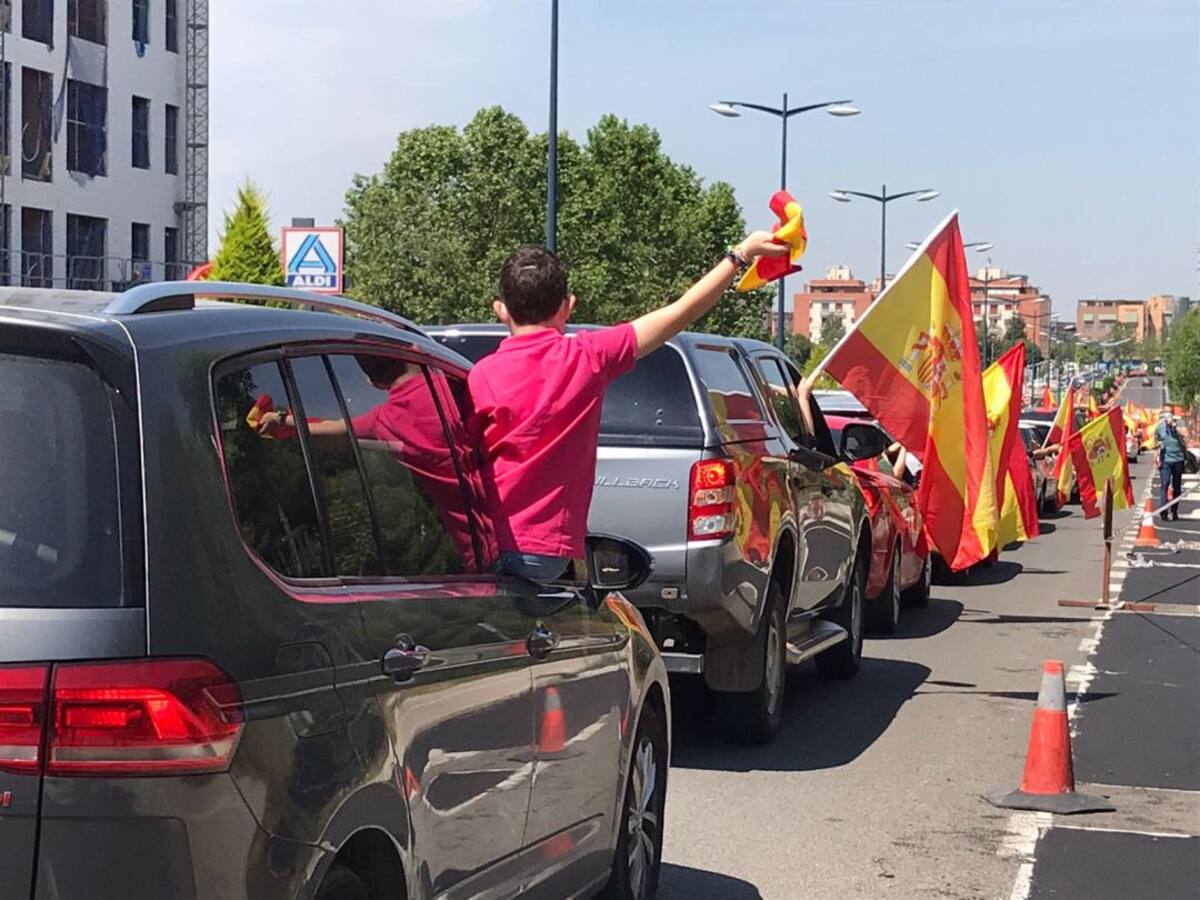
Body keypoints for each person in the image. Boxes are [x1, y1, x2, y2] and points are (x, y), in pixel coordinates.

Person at [469, 232, 787, 582]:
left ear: (500, 309)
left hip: (482, 545)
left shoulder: (478, 375)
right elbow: (680, 313)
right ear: (567, 306)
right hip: (544, 553)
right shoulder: (587, 357)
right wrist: (739, 255)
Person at [1154, 409, 1187, 522]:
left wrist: (1174, 426)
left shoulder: (1179, 424)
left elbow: (1185, 434)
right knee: (1165, 484)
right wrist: (1157, 447)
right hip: (1166, 461)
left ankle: (1174, 511)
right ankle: (1164, 512)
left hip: (1178, 460)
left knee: (1176, 486)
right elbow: (1154, 441)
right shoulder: (1160, 427)